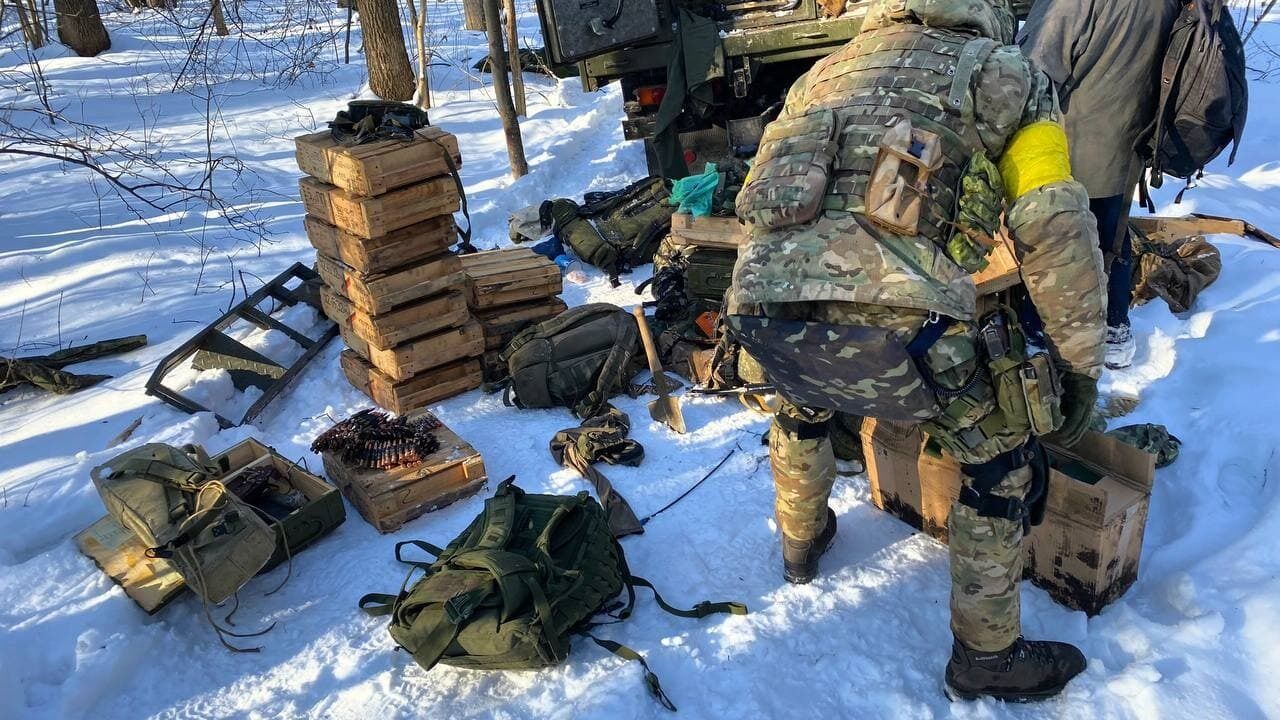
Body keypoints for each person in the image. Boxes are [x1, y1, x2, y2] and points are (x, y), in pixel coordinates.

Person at [726, 0, 1107, 702]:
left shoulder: (821, 74)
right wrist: (1080, 363)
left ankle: (799, 544)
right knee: (1000, 465)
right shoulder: (1007, 76)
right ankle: (985, 660)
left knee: (802, 408)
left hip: (770, 314)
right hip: (907, 329)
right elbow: (1052, 223)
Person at [1018, 0, 1182, 369]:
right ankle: (1115, 329)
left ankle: (1038, 336)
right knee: (1112, 233)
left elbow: (1033, 68)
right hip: (1129, 141)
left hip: (1066, 142)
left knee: (1049, 239)